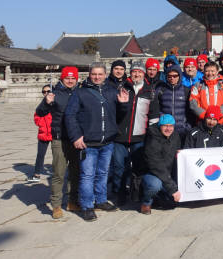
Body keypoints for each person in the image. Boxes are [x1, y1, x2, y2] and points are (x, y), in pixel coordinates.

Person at [65, 62, 129, 222]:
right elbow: (70, 116)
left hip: (107, 141)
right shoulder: (80, 93)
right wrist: (76, 136)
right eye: (94, 74)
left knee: (103, 173)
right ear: (89, 74)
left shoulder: (112, 91)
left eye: (100, 74)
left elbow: (118, 115)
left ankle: (100, 200)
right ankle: (87, 205)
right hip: (88, 142)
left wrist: (123, 104)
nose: (97, 77)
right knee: (87, 175)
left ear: (105, 75)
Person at [35, 66, 80, 219]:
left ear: (76, 79)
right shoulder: (54, 93)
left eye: (73, 78)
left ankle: (72, 200)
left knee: (75, 172)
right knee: (59, 173)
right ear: (62, 78)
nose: (70, 80)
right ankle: (56, 205)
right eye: (67, 78)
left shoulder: (80, 92)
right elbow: (40, 112)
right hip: (59, 138)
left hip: (76, 139)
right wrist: (46, 102)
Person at [110, 61, 155, 205]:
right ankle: (119, 193)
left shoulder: (149, 91)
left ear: (144, 74)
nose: (137, 74)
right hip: (120, 136)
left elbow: (153, 115)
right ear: (130, 73)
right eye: (134, 71)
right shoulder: (123, 88)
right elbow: (114, 112)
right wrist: (122, 105)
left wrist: (151, 136)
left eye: (140, 72)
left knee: (138, 167)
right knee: (118, 167)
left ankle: (137, 194)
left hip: (139, 136)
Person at [139, 114, 181, 215]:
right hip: (151, 174)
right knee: (155, 185)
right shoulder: (152, 139)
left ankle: (157, 198)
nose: (168, 129)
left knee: (171, 204)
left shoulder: (175, 136)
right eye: (165, 126)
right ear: (160, 126)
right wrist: (172, 188)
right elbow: (156, 166)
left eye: (171, 126)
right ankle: (146, 202)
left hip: (166, 173)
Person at [151, 63, 192, 144]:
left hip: (182, 130)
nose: (172, 78)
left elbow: (190, 111)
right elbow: (156, 109)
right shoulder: (161, 90)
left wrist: (187, 127)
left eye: (175, 76)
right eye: (169, 76)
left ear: (179, 76)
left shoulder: (186, 90)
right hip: (166, 130)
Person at [189, 61, 223, 125]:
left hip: (221, 122)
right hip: (203, 121)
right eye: (207, 71)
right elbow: (193, 103)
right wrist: (206, 116)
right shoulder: (198, 85)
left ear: (217, 71)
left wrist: (216, 115)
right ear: (203, 72)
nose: (210, 73)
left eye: (212, 71)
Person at [28, 85, 53, 182]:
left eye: (48, 91)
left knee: (57, 155)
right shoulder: (41, 105)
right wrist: (43, 125)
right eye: (44, 91)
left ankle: (57, 174)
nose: (46, 93)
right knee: (40, 155)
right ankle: (36, 174)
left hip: (55, 133)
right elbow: (36, 119)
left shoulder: (56, 103)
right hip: (43, 133)